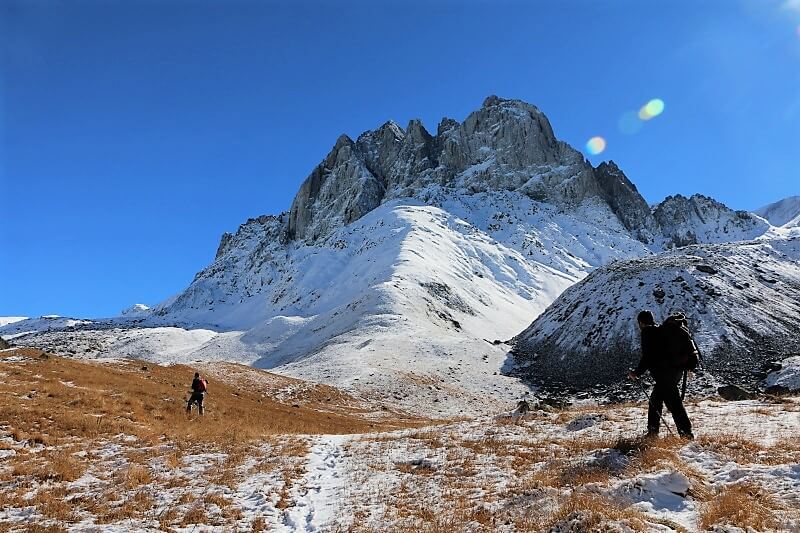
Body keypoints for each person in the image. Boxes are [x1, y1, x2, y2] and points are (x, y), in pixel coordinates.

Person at [628, 310, 694, 439]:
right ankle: (653, 432)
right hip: (675, 372)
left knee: (674, 405)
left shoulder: (648, 333)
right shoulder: (660, 330)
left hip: (665, 375)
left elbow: (647, 357)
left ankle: (686, 434)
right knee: (655, 401)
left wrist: (636, 373)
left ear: (640, 322)